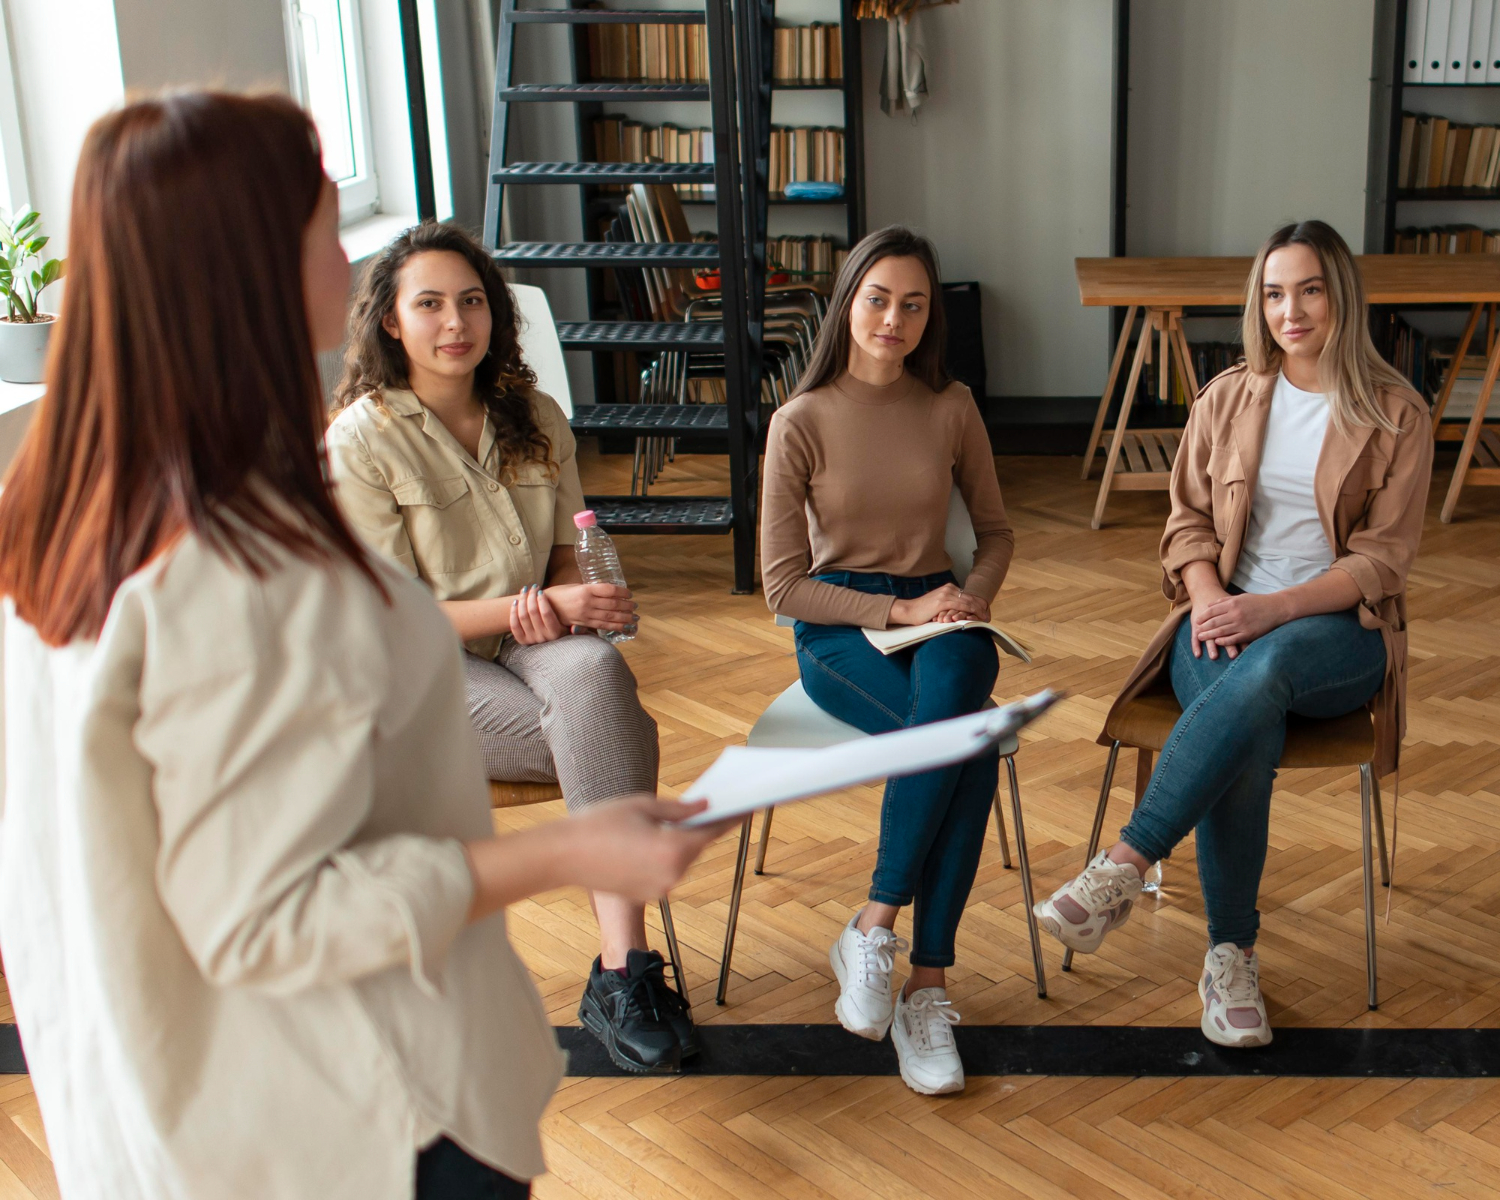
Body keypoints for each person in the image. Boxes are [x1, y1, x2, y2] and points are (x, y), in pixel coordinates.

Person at [0, 92, 723, 1200]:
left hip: (184, 1097)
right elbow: (274, 914)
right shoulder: (227, 559)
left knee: (587, 683)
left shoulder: (62, 503)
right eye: (326, 227)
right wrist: (571, 851)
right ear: (254, 267)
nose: (349, 265)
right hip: (352, 1115)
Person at [1033, 220, 1432, 1049]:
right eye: (1275, 292)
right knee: (1243, 723)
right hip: (1221, 619)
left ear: (1341, 297)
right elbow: (1184, 526)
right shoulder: (1227, 397)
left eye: (1310, 289)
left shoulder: (1398, 413)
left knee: (1272, 666)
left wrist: (1270, 611)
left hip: (1335, 636)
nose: (1291, 310)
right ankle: (1230, 959)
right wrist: (1217, 598)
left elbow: (1381, 563)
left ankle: (1125, 867)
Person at [323, 223, 694, 1075]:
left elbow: (566, 550)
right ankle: (627, 976)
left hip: (530, 642)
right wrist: (529, 605)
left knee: (597, 671)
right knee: (612, 733)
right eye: (430, 304)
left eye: (472, 301)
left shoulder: (537, 417)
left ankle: (616, 970)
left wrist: (585, 592)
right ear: (390, 322)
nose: (456, 322)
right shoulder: (363, 437)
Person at [759, 226, 1016, 1096]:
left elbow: (997, 532)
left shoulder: (952, 406)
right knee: (968, 744)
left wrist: (969, 596)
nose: (894, 319)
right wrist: (896, 609)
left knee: (954, 689)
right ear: (848, 303)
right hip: (842, 626)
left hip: (942, 608)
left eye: (913, 304)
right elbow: (783, 585)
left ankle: (876, 927)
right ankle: (924, 980)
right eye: (878, 299)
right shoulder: (799, 420)